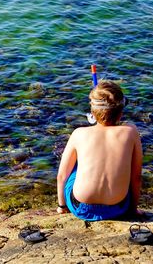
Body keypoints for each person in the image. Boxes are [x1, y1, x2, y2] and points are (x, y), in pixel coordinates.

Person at [56, 80, 143, 221]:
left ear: (92, 113)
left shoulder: (79, 133)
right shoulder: (131, 132)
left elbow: (61, 176)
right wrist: (132, 210)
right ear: (120, 113)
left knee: (76, 166)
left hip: (81, 207)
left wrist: (62, 206)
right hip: (118, 208)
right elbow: (136, 177)